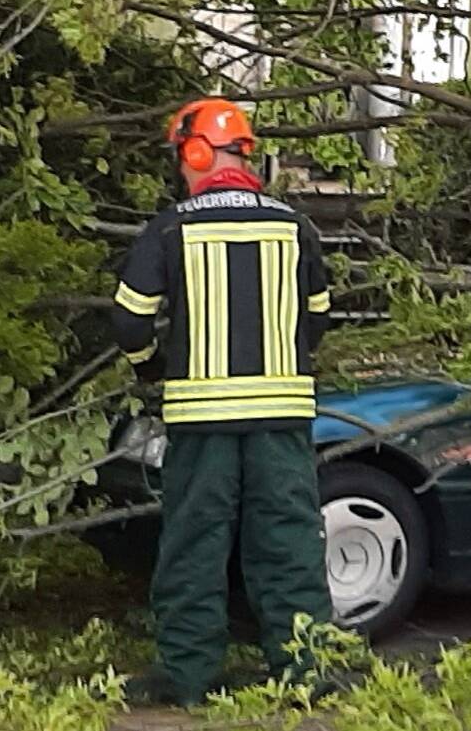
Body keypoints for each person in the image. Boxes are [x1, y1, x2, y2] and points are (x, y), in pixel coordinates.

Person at [111, 98, 334, 707]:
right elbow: (317, 319)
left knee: (194, 544)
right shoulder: (295, 226)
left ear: (196, 152)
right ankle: (307, 671)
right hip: (283, 416)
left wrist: (149, 370)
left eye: (182, 159)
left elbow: (130, 322)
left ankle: (187, 677)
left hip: (200, 418)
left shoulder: (171, 228)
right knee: (288, 541)